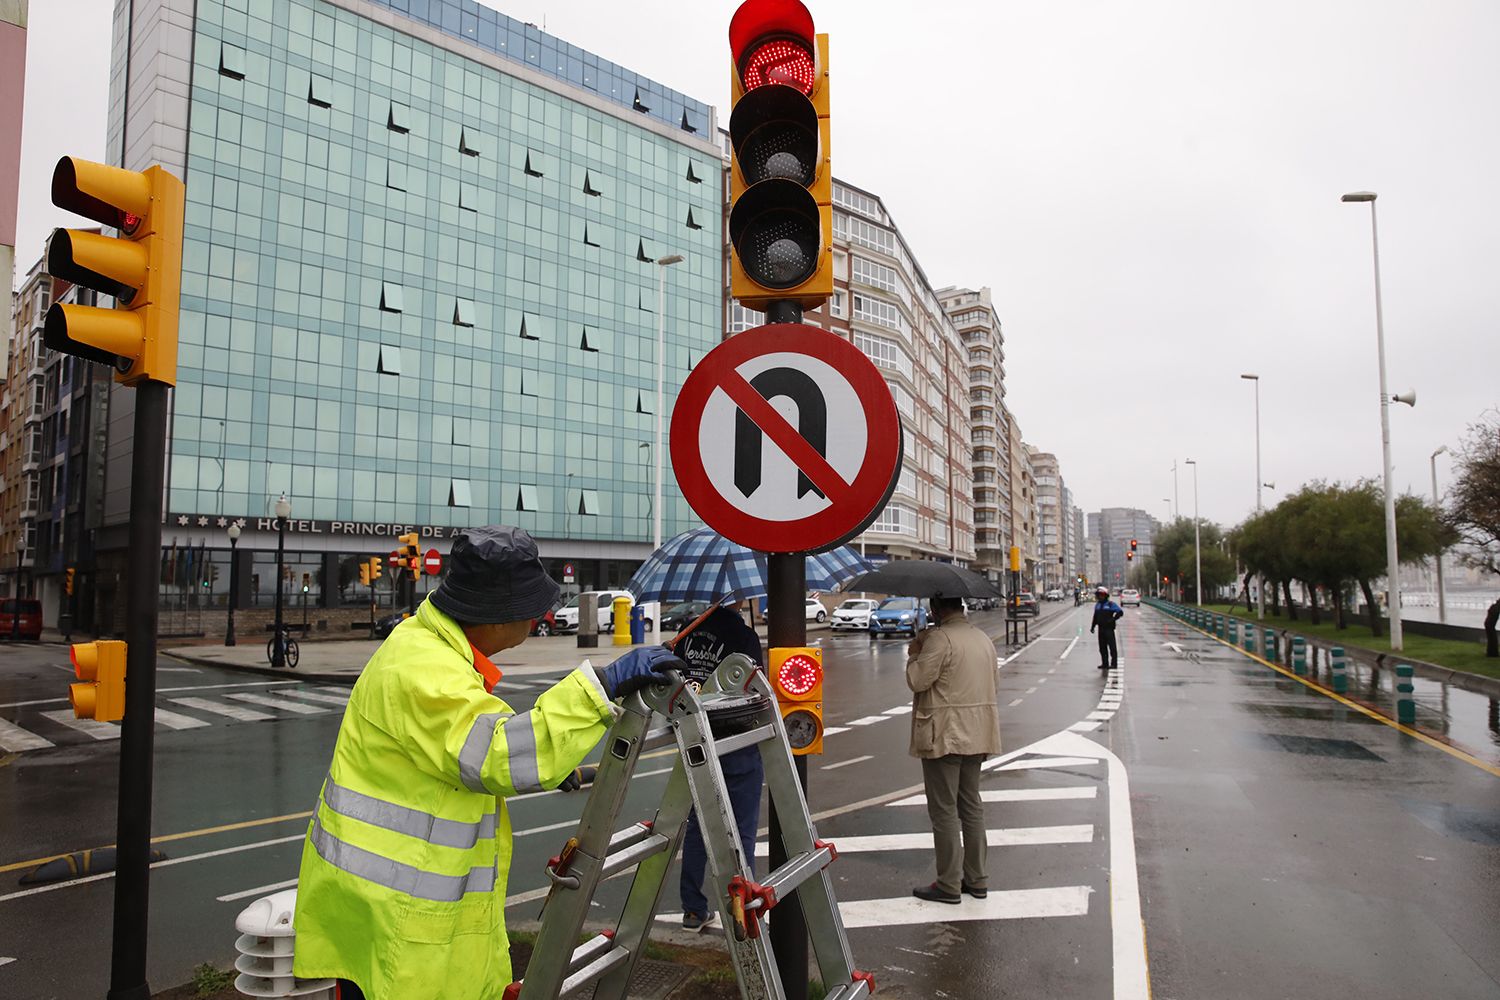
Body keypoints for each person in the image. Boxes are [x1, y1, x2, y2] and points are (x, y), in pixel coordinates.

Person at [292, 526, 683, 1000]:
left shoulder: (430, 648)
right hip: (396, 921)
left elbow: (451, 753)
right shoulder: (422, 668)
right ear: (497, 615)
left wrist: (555, 764)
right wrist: (602, 685)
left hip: (388, 907)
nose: (538, 619)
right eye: (530, 611)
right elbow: (495, 755)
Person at [672, 598, 766, 930]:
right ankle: (744, 905)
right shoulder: (743, 636)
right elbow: (757, 688)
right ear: (737, 599)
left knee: (699, 826)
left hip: (694, 739)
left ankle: (693, 908)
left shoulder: (687, 633)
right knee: (741, 830)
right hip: (736, 740)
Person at [904, 595, 1002, 904]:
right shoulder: (983, 639)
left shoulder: (939, 639)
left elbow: (917, 681)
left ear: (935, 609)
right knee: (971, 806)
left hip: (944, 734)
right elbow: (994, 683)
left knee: (944, 810)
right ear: (960, 607)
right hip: (979, 731)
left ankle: (948, 883)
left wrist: (914, 651)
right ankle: (978, 879)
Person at [1091, 585, 1124, 671]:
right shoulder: (1097, 605)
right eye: (1099, 595)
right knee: (1102, 647)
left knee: (1112, 647)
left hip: (1109, 629)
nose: (1100, 596)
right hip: (1101, 629)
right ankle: (1105, 663)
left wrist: (1113, 619)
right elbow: (1095, 617)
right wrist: (1093, 626)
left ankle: (1114, 663)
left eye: (1101, 595)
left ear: (1105, 595)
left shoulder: (1110, 604)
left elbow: (1120, 612)